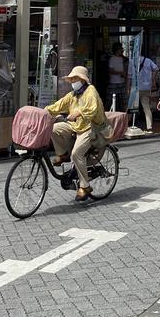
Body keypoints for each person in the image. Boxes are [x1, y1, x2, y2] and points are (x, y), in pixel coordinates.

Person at [45, 66, 109, 201]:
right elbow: (59, 105)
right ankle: (62, 154)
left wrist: (78, 112)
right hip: (76, 126)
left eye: (75, 78)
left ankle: (85, 186)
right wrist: (45, 111)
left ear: (82, 79)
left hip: (91, 127)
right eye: (71, 79)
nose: (72, 81)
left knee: (77, 154)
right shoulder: (73, 94)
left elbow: (92, 109)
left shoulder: (91, 91)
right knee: (55, 128)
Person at [131, 51, 158, 132]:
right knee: (146, 107)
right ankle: (149, 127)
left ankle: (128, 125)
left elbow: (129, 75)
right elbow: (156, 68)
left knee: (131, 107)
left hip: (135, 87)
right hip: (146, 86)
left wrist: (128, 87)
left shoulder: (132, 61)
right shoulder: (148, 60)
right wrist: (153, 79)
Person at [107, 42, 127, 111]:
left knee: (124, 100)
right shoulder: (112, 59)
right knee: (110, 100)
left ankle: (125, 115)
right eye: (121, 49)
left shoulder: (123, 59)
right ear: (117, 49)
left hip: (122, 81)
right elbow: (110, 71)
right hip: (113, 82)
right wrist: (120, 72)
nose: (122, 50)